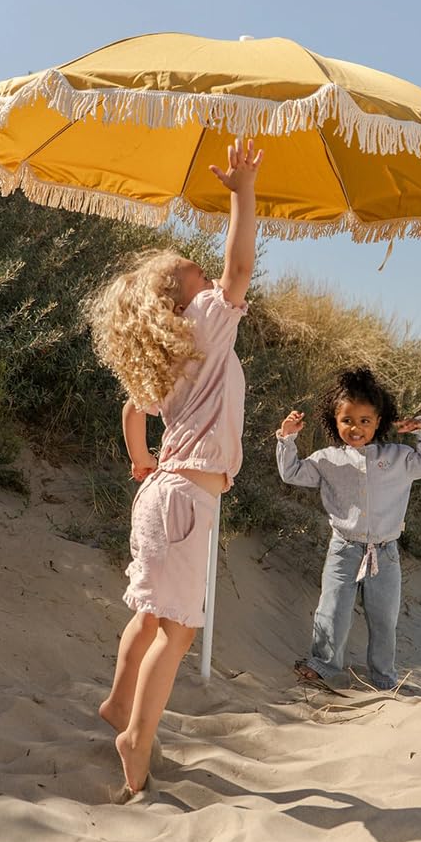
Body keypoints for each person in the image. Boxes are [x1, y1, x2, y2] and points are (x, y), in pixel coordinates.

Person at [88, 138, 263, 795]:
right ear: (182, 302)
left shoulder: (166, 356)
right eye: (199, 275)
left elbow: (133, 411)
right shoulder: (205, 327)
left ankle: (117, 702)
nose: (212, 278)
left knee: (152, 617)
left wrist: (141, 460)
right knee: (180, 631)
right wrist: (242, 193)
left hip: (163, 494)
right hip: (185, 498)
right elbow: (240, 264)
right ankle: (136, 736)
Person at [276, 366, 421, 692]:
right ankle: (323, 666)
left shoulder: (399, 457)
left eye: (365, 421)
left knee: (384, 619)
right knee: (333, 611)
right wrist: (287, 438)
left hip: (386, 553)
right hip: (344, 549)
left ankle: (383, 677)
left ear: (378, 421)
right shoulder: (327, 459)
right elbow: (292, 473)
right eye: (347, 420)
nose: (356, 428)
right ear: (335, 420)